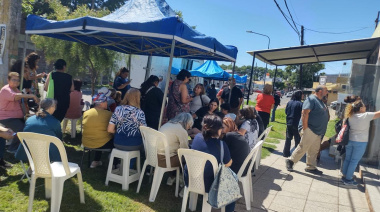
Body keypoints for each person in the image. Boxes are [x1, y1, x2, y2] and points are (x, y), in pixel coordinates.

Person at [184, 115, 235, 212]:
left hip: (190, 178)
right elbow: (228, 164)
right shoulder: (221, 145)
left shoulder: (197, 137)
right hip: (209, 185)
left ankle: (192, 205)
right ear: (219, 130)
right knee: (232, 182)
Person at [286, 85, 329, 175]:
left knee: (314, 150)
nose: (327, 92)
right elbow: (305, 113)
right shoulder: (311, 99)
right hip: (310, 129)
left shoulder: (320, 101)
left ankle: (311, 167)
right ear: (320, 91)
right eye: (326, 90)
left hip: (317, 131)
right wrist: (305, 128)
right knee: (303, 146)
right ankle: (290, 161)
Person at [341, 96, 380, 186]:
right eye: (364, 106)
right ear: (361, 108)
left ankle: (345, 175)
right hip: (360, 142)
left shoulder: (349, 116)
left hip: (349, 140)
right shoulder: (366, 116)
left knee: (348, 158)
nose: (366, 107)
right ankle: (348, 179)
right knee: (354, 161)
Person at [0, 72, 39, 153]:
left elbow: (20, 100)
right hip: (7, 117)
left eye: (18, 80)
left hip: (16, 117)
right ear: (8, 80)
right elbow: (15, 96)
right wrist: (31, 96)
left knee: (30, 127)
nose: (16, 82)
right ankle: (12, 148)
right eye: (14, 80)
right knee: (22, 129)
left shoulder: (16, 90)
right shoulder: (6, 90)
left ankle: (25, 146)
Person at [82, 94, 114, 168]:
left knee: (99, 134)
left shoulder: (86, 113)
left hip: (86, 142)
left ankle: (95, 161)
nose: (107, 103)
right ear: (102, 103)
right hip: (101, 143)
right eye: (106, 101)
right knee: (115, 140)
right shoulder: (109, 114)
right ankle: (115, 164)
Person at [283, 90, 303, 157]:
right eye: (302, 94)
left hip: (289, 122)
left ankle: (286, 153)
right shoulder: (301, 104)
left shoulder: (289, 102)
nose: (303, 96)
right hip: (297, 123)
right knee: (297, 140)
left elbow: (286, 111)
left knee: (288, 139)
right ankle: (295, 155)